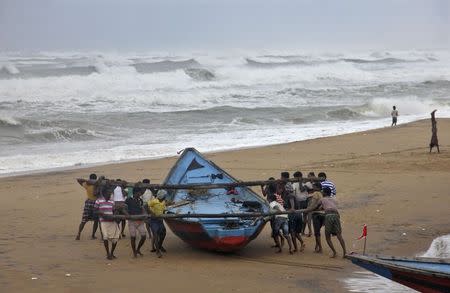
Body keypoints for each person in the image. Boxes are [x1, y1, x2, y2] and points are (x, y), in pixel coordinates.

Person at [95, 184, 120, 260]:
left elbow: (114, 211)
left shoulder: (112, 202)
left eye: (110, 193)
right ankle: (108, 253)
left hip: (112, 221)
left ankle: (112, 253)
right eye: (109, 193)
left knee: (115, 238)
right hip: (103, 221)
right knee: (105, 237)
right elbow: (95, 211)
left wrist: (116, 215)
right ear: (104, 193)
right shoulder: (98, 200)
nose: (110, 194)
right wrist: (101, 214)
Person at [76, 173, 101, 240]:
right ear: (96, 179)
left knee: (84, 220)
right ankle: (93, 235)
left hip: (88, 203)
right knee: (96, 220)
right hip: (96, 203)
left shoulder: (87, 184)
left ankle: (78, 234)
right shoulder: (98, 185)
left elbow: (78, 180)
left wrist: (87, 180)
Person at [302, 181, 325, 253]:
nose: (313, 188)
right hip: (322, 214)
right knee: (318, 232)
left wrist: (308, 209)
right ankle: (317, 245)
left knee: (317, 232)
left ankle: (320, 248)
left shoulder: (315, 194)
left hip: (316, 214)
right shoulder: (321, 194)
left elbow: (313, 204)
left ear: (317, 187)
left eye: (314, 187)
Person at [125, 187, 147, 258]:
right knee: (133, 237)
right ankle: (134, 251)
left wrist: (144, 214)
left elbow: (142, 208)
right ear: (135, 193)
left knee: (143, 236)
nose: (140, 194)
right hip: (132, 221)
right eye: (139, 193)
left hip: (140, 221)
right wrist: (127, 214)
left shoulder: (140, 200)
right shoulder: (128, 199)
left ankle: (137, 249)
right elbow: (124, 208)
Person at [146, 190, 168, 258]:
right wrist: (151, 213)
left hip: (160, 221)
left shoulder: (163, 202)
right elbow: (145, 206)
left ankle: (159, 245)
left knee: (163, 233)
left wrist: (164, 213)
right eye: (165, 196)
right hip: (154, 221)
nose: (165, 197)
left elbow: (163, 209)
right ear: (163, 196)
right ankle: (157, 251)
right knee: (155, 235)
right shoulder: (154, 201)